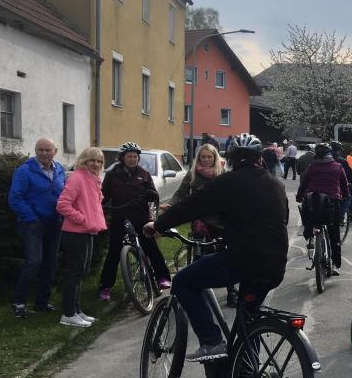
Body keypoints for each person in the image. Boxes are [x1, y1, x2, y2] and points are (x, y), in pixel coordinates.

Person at [145, 133, 289, 362]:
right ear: (259, 158)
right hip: (276, 263)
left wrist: (159, 225)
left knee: (184, 281)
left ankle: (211, 342)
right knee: (248, 318)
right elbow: (279, 218)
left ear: (230, 158)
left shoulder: (228, 182)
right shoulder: (276, 184)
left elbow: (192, 206)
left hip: (243, 260)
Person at [163, 143, 237, 306]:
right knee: (200, 258)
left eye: (209, 156)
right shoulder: (193, 174)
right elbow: (180, 193)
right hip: (200, 222)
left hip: (221, 222)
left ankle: (232, 292)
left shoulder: (223, 174)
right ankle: (199, 293)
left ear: (215, 157)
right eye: (203, 157)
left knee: (226, 257)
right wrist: (171, 205)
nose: (206, 160)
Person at [99, 142, 171, 301]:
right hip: (119, 216)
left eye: (135, 157)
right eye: (129, 156)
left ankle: (162, 278)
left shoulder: (143, 174)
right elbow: (104, 195)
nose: (132, 159)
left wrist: (150, 194)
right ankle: (105, 287)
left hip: (141, 217)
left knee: (151, 247)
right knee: (114, 252)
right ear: (122, 158)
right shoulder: (112, 175)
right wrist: (102, 207)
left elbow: (153, 193)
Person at [8, 138, 66, 317]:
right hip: (32, 223)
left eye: (48, 150)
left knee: (50, 263)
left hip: (54, 223)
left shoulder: (60, 170)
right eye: (40, 149)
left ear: (55, 151)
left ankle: (42, 302)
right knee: (34, 262)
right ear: (35, 150)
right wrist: (31, 217)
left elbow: (64, 194)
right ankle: (19, 303)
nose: (44, 153)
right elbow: (15, 198)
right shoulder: (25, 171)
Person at [55, 147, 107, 327]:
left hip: (87, 231)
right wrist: (82, 219)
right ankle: (68, 313)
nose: (96, 164)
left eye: (99, 161)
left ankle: (76, 310)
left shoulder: (93, 179)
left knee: (81, 272)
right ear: (84, 160)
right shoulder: (77, 178)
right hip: (75, 232)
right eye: (92, 160)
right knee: (74, 273)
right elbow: (62, 205)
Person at [296, 143, 350, 274]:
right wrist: (345, 195)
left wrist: (299, 196)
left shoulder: (312, 167)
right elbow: (344, 185)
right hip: (331, 201)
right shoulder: (337, 167)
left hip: (312, 200)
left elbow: (304, 183)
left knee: (311, 221)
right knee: (334, 234)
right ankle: (336, 265)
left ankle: (310, 237)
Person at [330, 141, 352, 224]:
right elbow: (350, 174)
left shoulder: (319, 161)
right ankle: (340, 217)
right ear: (338, 151)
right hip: (337, 187)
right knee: (347, 198)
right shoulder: (342, 162)